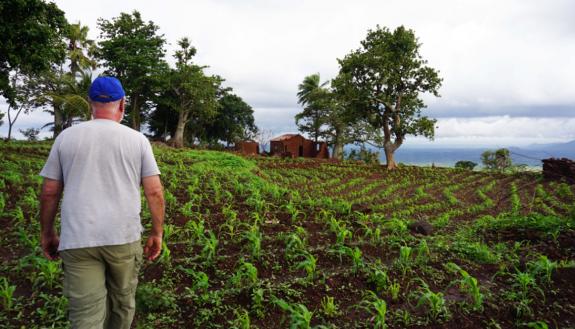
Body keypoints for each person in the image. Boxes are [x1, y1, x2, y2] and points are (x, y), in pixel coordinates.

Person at [38, 76, 165, 329]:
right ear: (122, 104)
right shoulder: (137, 140)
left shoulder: (66, 138)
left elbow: (50, 192)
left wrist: (48, 232)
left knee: (86, 315)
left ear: (90, 104)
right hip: (123, 237)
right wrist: (157, 232)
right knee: (122, 303)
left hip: (78, 239)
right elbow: (154, 192)